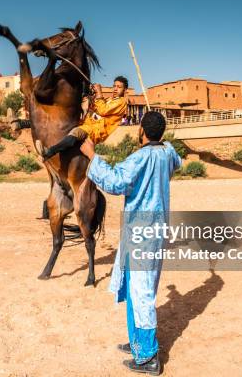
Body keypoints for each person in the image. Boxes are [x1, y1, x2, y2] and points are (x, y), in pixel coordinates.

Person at [79, 111, 182, 376]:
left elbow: (115, 182)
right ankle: (137, 343)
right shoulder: (167, 153)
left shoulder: (141, 157)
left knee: (142, 291)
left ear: (141, 132)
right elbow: (176, 159)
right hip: (152, 230)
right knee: (137, 287)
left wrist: (92, 155)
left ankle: (148, 358)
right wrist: (162, 141)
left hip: (142, 233)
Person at [35, 76, 129, 161]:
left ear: (125, 90)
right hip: (88, 123)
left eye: (119, 87)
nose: (115, 89)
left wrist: (99, 93)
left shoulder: (121, 102)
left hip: (96, 130)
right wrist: (92, 97)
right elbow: (96, 108)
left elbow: (103, 110)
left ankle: (48, 152)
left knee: (75, 132)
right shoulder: (109, 100)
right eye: (114, 86)